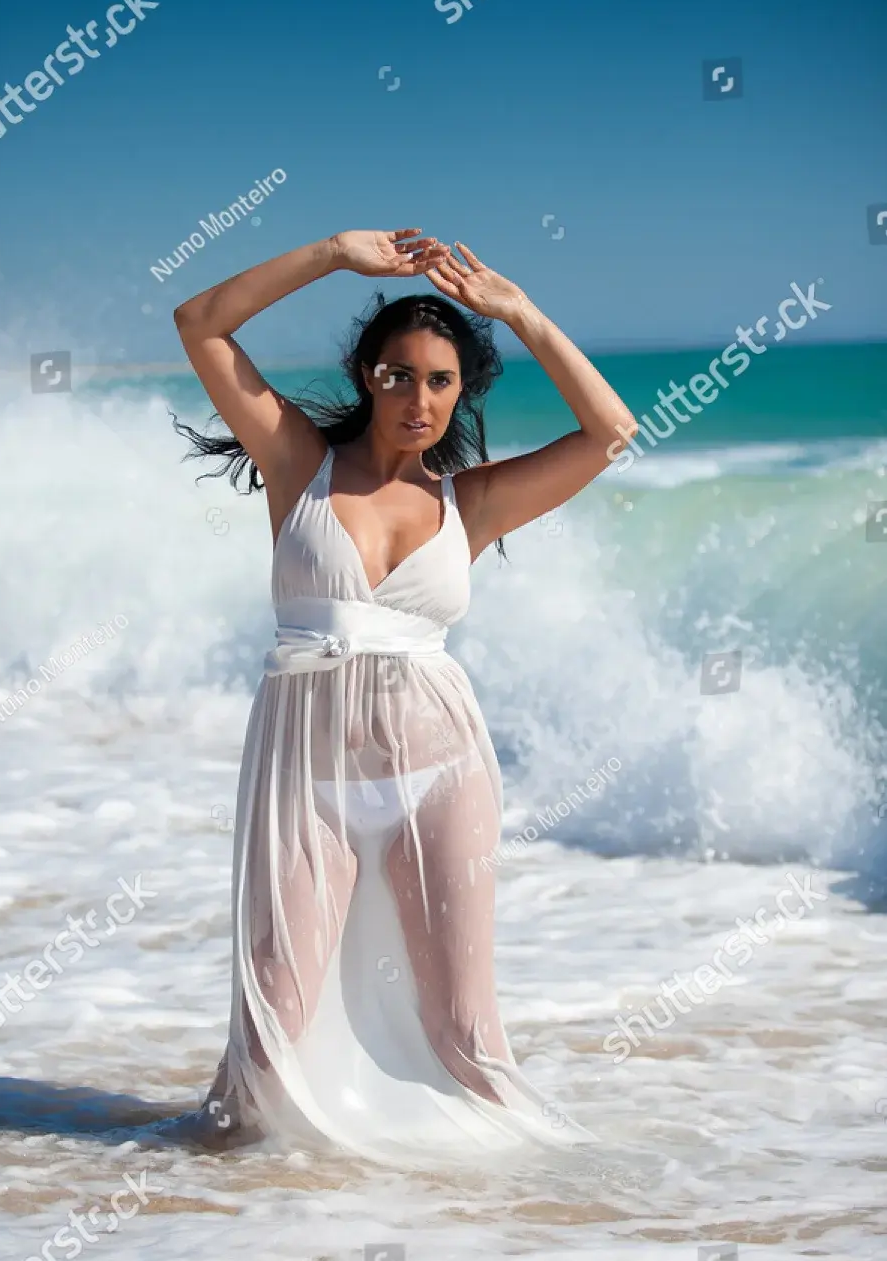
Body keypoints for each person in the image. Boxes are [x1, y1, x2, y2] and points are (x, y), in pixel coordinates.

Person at [172, 228, 636, 1166]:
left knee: (464, 1035)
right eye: (398, 375)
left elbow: (611, 433)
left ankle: (516, 1239)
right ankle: (218, 1230)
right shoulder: (298, 465)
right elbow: (201, 324)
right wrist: (335, 255)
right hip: (309, 786)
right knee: (272, 1027)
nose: (417, 398)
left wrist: (521, 314)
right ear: (365, 375)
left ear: (461, 391)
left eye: (440, 380)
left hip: (440, 777)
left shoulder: (474, 503)